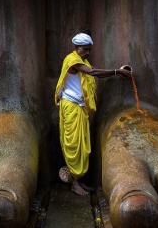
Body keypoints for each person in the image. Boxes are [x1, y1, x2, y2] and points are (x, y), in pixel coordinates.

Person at [55, 33, 131, 195]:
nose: (88, 53)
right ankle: (74, 183)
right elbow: (93, 72)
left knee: (82, 145)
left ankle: (78, 180)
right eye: (85, 49)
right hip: (70, 107)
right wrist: (117, 72)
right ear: (77, 48)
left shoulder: (82, 60)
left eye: (89, 50)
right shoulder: (72, 60)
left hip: (80, 107)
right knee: (74, 144)